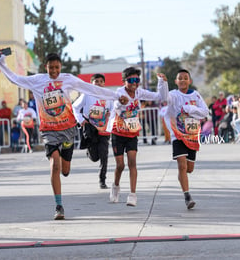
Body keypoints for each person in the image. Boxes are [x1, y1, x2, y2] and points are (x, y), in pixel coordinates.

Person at [0, 52, 126, 220]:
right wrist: (2, 63)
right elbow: (16, 79)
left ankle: (67, 151)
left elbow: (91, 88)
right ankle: (59, 206)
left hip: (68, 128)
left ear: (61, 67)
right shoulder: (37, 80)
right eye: (51, 68)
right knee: (54, 165)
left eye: (57, 67)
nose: (54, 71)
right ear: (46, 67)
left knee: (65, 170)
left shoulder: (68, 79)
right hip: (49, 130)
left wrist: (116, 96)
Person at [108, 66, 167, 207]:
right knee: (120, 165)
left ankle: (132, 194)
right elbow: (116, 103)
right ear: (124, 81)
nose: (134, 83)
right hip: (118, 132)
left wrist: (162, 83)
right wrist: (120, 103)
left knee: (132, 162)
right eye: (131, 80)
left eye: (137, 80)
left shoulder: (139, 92)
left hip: (132, 132)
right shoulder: (119, 92)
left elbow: (160, 97)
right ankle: (115, 186)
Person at [160, 69, 209, 209]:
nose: (182, 80)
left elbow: (205, 111)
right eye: (179, 78)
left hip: (192, 135)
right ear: (176, 81)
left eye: (185, 78)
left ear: (189, 81)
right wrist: (162, 83)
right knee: (182, 165)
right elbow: (164, 98)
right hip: (178, 134)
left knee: (189, 169)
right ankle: (187, 196)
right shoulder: (173, 95)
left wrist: (190, 109)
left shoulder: (196, 95)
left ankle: (182, 177)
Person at [72, 73, 113, 189]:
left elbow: (112, 109)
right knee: (95, 157)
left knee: (104, 154)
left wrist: (110, 115)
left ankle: (102, 180)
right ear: (92, 83)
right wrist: (81, 120)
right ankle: (89, 152)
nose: (98, 83)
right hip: (90, 127)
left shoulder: (108, 95)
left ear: (104, 83)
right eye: (96, 81)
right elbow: (75, 107)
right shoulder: (86, 95)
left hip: (103, 128)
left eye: (101, 81)